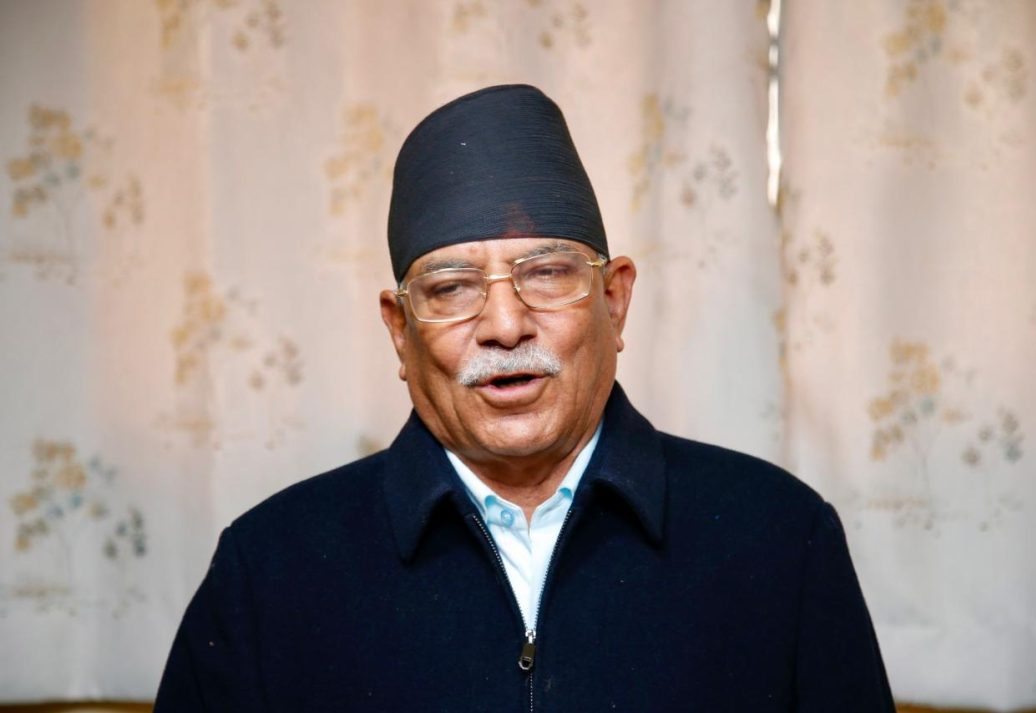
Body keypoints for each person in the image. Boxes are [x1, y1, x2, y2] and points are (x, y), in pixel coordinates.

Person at [155, 84, 895, 711]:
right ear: (400, 332)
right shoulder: (271, 569)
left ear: (615, 301)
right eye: (451, 288)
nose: (505, 326)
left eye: (546, 274)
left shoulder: (778, 540)